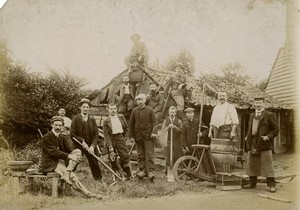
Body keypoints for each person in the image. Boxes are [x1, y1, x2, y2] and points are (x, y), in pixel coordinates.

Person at [41, 116, 101, 198]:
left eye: (60, 125)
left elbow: (69, 149)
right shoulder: (46, 137)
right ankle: (87, 193)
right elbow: (54, 152)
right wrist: (70, 157)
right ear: (52, 125)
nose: (58, 127)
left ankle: (66, 173)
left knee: (78, 151)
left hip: (59, 162)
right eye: (56, 125)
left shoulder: (61, 137)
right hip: (49, 163)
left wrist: (76, 156)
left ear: (62, 126)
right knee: (72, 177)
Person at [243, 97, 279, 193]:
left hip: (264, 143)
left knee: (267, 164)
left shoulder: (269, 115)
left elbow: (276, 130)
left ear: (264, 104)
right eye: (256, 103)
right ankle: (252, 183)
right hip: (253, 143)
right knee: (252, 164)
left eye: (260, 103)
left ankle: (271, 184)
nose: (258, 105)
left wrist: (268, 137)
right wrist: (247, 136)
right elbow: (250, 128)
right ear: (254, 104)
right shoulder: (251, 115)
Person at [70, 98, 102, 181]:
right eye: (84, 107)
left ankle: (98, 180)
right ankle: (67, 177)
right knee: (74, 162)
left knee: (94, 162)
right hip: (78, 145)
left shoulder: (92, 120)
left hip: (90, 145)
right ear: (80, 108)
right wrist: (82, 141)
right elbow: (72, 134)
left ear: (89, 108)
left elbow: (96, 134)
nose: (85, 109)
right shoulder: (75, 119)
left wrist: (92, 146)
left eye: (87, 107)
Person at [129, 94, 157, 180]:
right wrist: (131, 136)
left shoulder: (150, 110)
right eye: (138, 100)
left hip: (148, 136)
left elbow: (154, 122)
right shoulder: (134, 111)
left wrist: (154, 132)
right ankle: (143, 171)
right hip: (138, 136)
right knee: (140, 154)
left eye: (141, 100)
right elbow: (131, 124)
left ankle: (150, 171)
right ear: (137, 102)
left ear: (145, 100)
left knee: (149, 154)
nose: (140, 102)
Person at [103, 103, 132, 180]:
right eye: (111, 109)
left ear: (116, 109)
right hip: (111, 138)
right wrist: (110, 146)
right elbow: (106, 135)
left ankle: (128, 175)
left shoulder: (121, 117)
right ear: (108, 110)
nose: (113, 110)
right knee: (112, 156)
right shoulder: (106, 120)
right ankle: (114, 175)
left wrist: (125, 138)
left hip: (120, 137)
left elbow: (126, 128)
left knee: (125, 156)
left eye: (114, 109)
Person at [161, 106, 183, 172]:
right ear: (169, 112)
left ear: (175, 113)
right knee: (168, 155)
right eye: (171, 112)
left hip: (176, 141)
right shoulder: (166, 121)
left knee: (177, 155)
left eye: (173, 112)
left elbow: (181, 131)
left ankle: (178, 171)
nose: (172, 113)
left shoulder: (179, 121)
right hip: (168, 141)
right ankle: (167, 171)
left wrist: (175, 127)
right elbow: (162, 130)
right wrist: (168, 127)